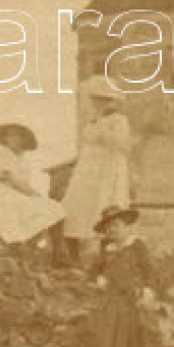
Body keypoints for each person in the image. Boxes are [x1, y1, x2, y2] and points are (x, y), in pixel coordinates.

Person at [55, 76, 132, 265]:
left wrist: (103, 129)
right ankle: (71, 258)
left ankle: (106, 261)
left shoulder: (118, 120)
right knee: (74, 209)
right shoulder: (92, 122)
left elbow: (122, 145)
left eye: (103, 99)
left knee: (104, 209)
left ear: (111, 101)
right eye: (96, 99)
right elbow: (86, 144)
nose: (98, 103)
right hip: (87, 171)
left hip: (107, 169)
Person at [89, 206, 159, 347]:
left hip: (133, 305)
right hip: (112, 305)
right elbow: (93, 270)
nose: (112, 231)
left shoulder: (137, 246)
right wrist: (98, 278)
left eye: (116, 226)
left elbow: (150, 272)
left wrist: (147, 291)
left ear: (127, 226)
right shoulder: (107, 249)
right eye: (108, 228)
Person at [0, 122, 65, 249]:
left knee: (57, 209)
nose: (13, 139)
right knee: (37, 209)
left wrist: (33, 194)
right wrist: (33, 194)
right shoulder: (3, 152)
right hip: (2, 193)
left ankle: (58, 254)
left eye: (17, 136)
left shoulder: (23, 158)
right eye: (9, 136)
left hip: (18, 193)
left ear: (24, 140)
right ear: (5, 139)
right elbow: (12, 179)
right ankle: (27, 247)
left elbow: (23, 181)